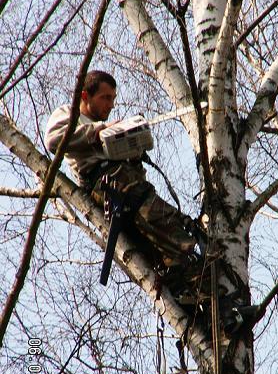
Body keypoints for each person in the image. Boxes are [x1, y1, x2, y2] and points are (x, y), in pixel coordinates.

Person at [45, 70, 197, 272]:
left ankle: (187, 283)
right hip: (108, 185)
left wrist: (132, 151)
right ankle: (185, 251)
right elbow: (53, 140)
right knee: (163, 220)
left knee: (163, 251)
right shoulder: (69, 114)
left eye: (113, 98)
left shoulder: (103, 127)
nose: (111, 104)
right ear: (85, 96)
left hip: (127, 184)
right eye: (105, 98)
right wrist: (100, 130)